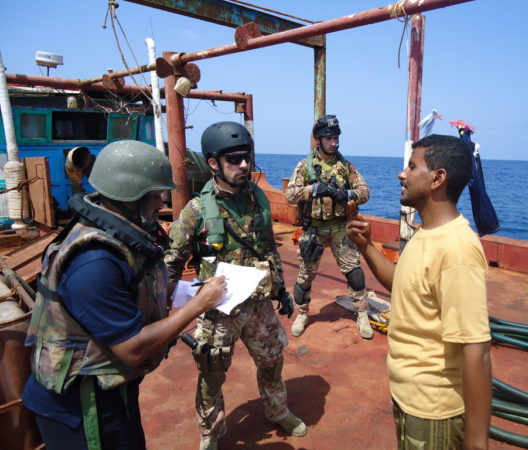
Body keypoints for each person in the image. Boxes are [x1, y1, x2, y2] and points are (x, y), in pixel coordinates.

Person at [22, 140, 226, 450]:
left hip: (108, 389)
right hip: (81, 401)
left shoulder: (116, 236)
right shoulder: (94, 262)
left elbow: (130, 291)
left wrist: (174, 292)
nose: (161, 202)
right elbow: (132, 350)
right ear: (129, 197)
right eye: (155, 195)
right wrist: (199, 304)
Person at [164, 121, 306, 450]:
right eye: (235, 160)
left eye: (247, 158)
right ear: (213, 163)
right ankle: (211, 434)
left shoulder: (257, 200)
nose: (245, 165)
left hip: (257, 303)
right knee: (212, 374)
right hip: (217, 310)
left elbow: (268, 246)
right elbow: (171, 261)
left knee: (272, 361)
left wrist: (280, 289)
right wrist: (164, 314)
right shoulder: (197, 211)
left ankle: (277, 410)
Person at [346, 134, 492, 450]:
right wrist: (366, 246)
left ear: (438, 178)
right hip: (409, 397)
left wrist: (477, 443)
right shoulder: (427, 232)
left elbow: (476, 350)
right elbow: (403, 284)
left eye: (412, 166)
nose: (403, 174)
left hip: (433, 408)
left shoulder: (457, 249)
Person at [285, 114, 372, 339]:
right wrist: (314, 189)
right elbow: (290, 195)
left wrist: (344, 193)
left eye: (336, 138)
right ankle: (302, 314)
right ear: (319, 140)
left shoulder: (345, 167)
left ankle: (362, 313)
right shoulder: (305, 167)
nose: (334, 143)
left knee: (355, 274)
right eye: (329, 138)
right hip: (313, 229)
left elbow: (365, 192)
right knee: (305, 276)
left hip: (340, 228)